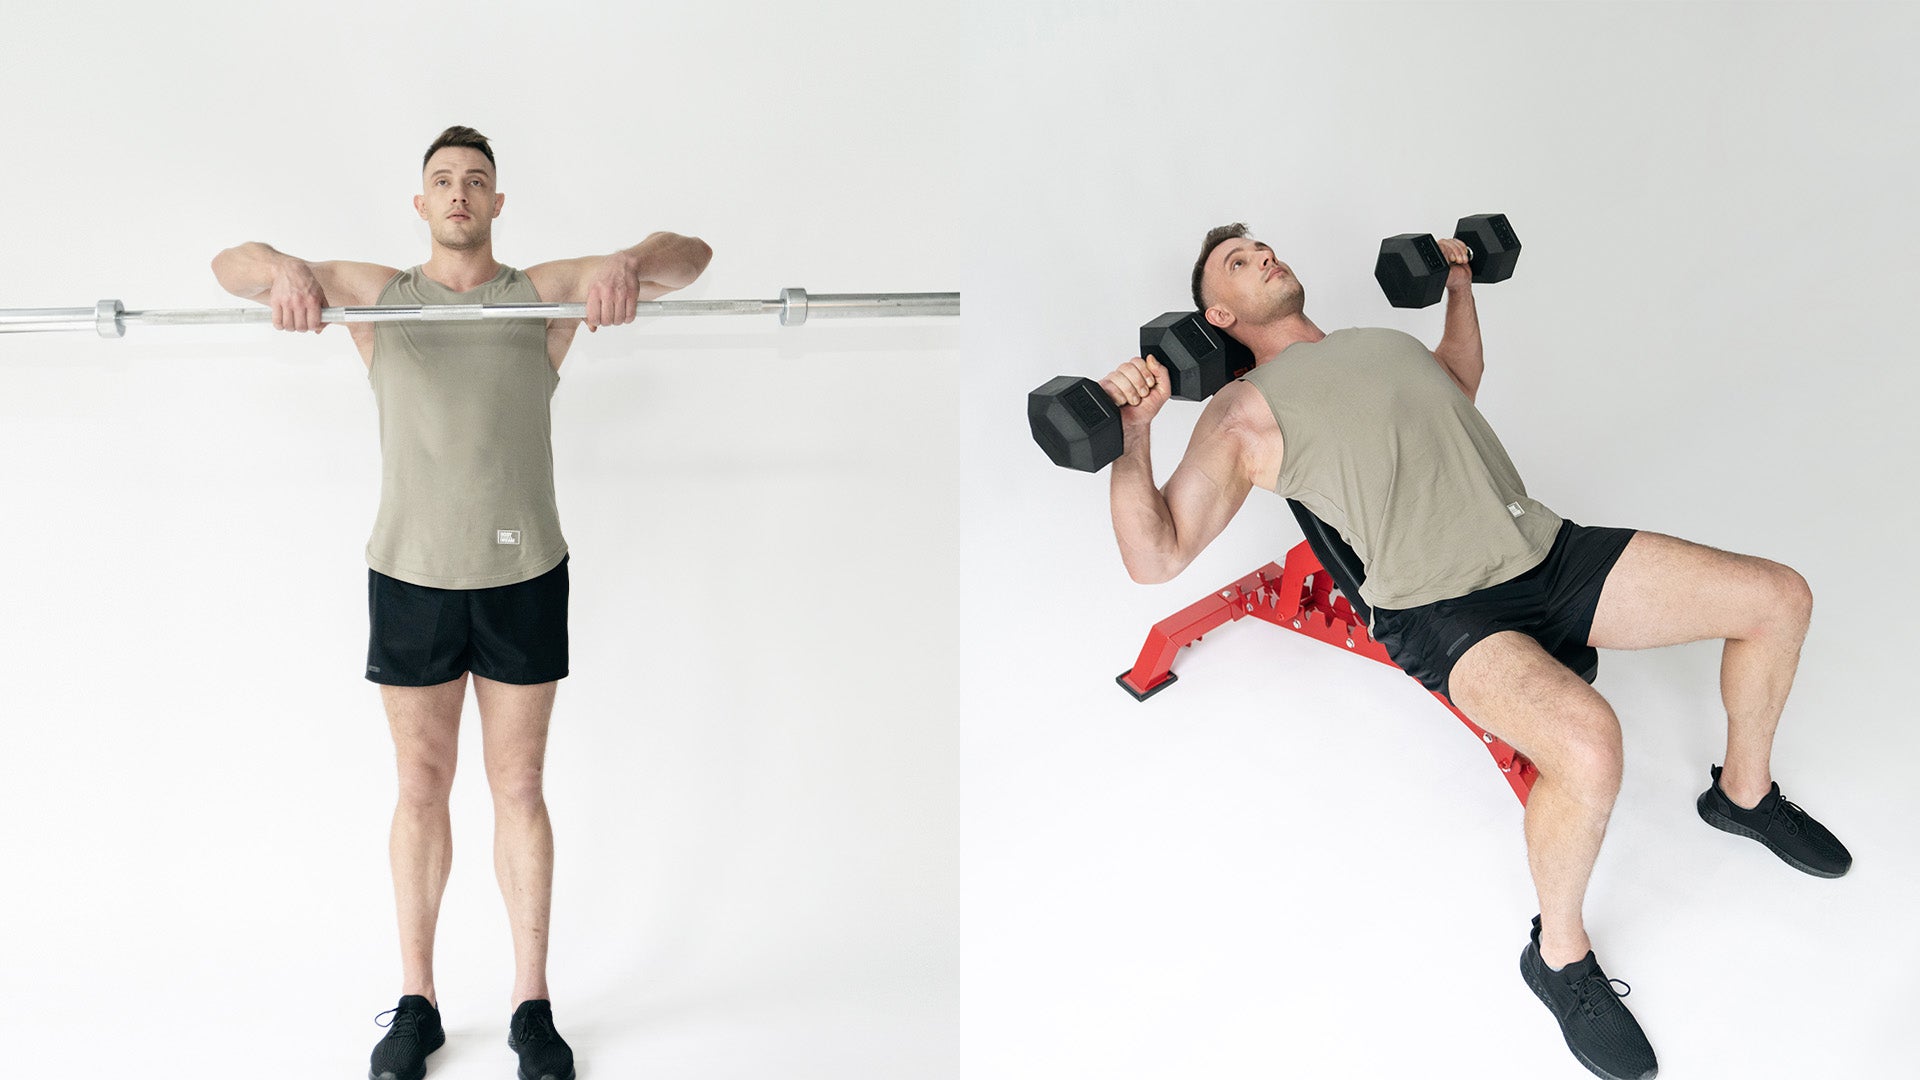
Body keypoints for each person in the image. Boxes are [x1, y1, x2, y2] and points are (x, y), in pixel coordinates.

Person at [1097, 222, 1850, 1080]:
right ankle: (1559, 960)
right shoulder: (1241, 413)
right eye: (1238, 261)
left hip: (1546, 550)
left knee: (1778, 598)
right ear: (1217, 314)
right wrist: (1131, 435)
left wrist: (1460, 287)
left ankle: (1743, 796)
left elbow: (1461, 380)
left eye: (1261, 243)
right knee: (1591, 747)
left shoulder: (1376, 343)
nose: (1264, 252)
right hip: (1442, 604)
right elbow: (1154, 555)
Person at [211, 125, 712, 1080]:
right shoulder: (375, 299)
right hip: (409, 573)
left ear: (497, 204)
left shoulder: (542, 295)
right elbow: (227, 266)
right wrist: (280, 271)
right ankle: (418, 1003)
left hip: (524, 573)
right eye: (441, 180)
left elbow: (692, 260)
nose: (457, 194)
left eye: (475, 181)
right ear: (419, 202)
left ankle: (532, 1008)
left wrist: (628, 264)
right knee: (420, 788)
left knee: (518, 788)